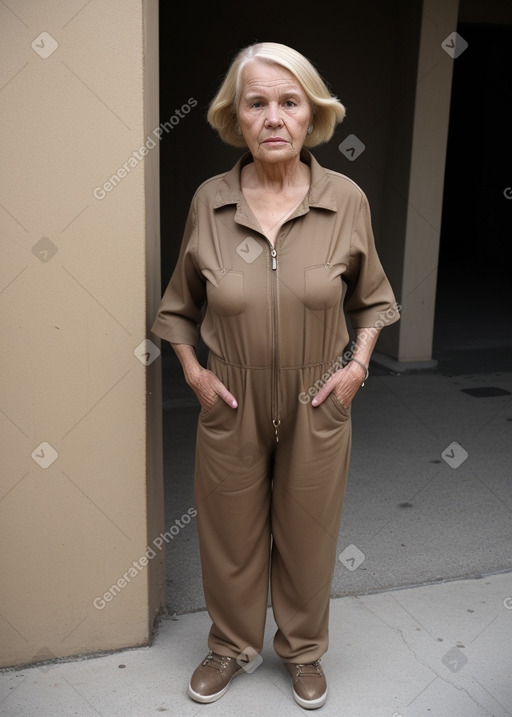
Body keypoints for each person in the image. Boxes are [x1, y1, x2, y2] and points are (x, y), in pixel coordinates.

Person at [151, 41, 400, 710]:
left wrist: (357, 369)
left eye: (289, 102)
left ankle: (304, 651)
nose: (273, 117)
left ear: (311, 114)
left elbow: (372, 298)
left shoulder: (345, 198)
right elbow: (177, 308)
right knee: (228, 532)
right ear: (236, 116)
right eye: (256, 103)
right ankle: (231, 646)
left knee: (308, 531)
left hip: (319, 393)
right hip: (230, 393)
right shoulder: (211, 199)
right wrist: (197, 376)